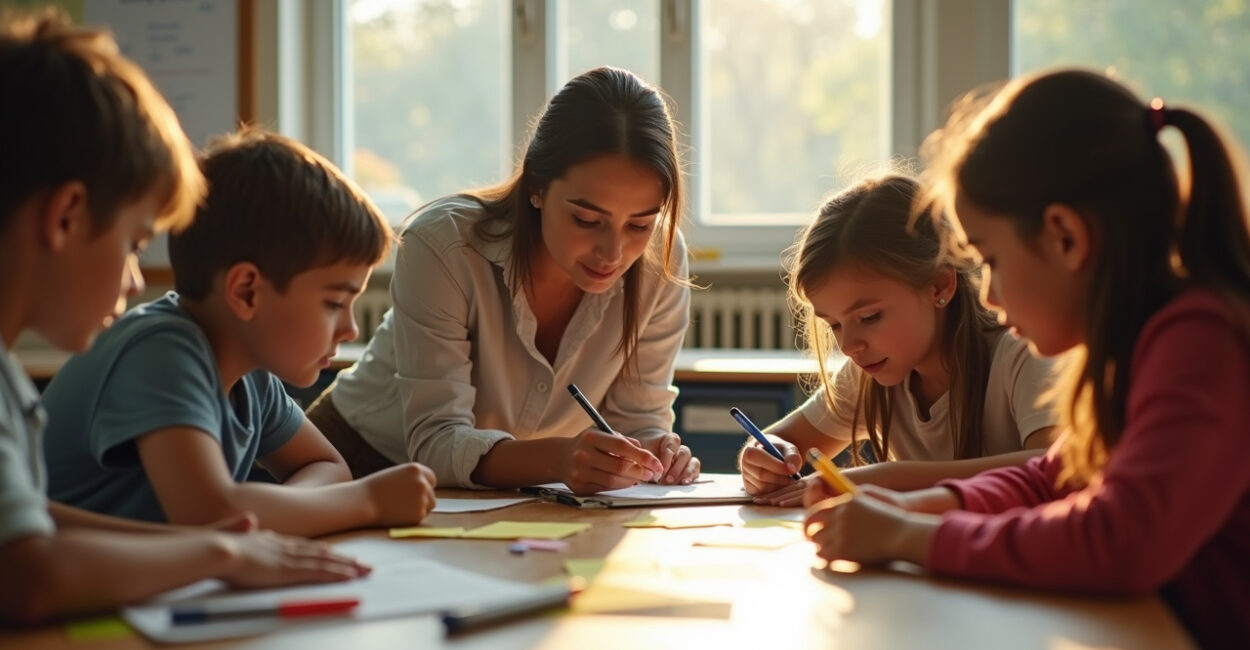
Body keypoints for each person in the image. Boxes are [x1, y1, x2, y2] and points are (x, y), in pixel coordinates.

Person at [805, 69, 1250, 649]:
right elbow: (1054, 476)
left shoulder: (1201, 341)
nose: (987, 294)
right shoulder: (1140, 341)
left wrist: (910, 537)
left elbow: (1119, 543)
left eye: (990, 258)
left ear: (1065, 236)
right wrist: (921, 506)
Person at [0, 11, 366, 624]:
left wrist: (227, 547)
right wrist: (219, 552)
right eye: (136, 244)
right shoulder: (158, 346)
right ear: (66, 217)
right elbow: (27, 577)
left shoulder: (10, 379)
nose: (136, 278)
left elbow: (35, 522)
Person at [308, 66, 698, 494]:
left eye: (640, 225)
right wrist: (561, 458)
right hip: (358, 460)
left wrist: (653, 450)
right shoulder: (445, 245)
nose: (613, 252)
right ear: (536, 185)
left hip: (513, 486)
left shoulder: (661, 259)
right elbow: (435, 440)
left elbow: (636, 420)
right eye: (586, 220)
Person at [41, 129, 438, 537]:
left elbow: (325, 467)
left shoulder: (251, 371)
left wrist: (276, 512)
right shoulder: (161, 350)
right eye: (334, 303)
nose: (351, 328)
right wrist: (367, 502)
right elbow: (211, 513)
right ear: (246, 291)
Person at [741, 174, 1058, 506]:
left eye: (869, 317)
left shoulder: (1023, 353)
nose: (849, 346)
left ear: (939, 286)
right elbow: (779, 441)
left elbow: (1054, 472)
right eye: (834, 324)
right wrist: (762, 461)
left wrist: (886, 479)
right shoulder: (867, 374)